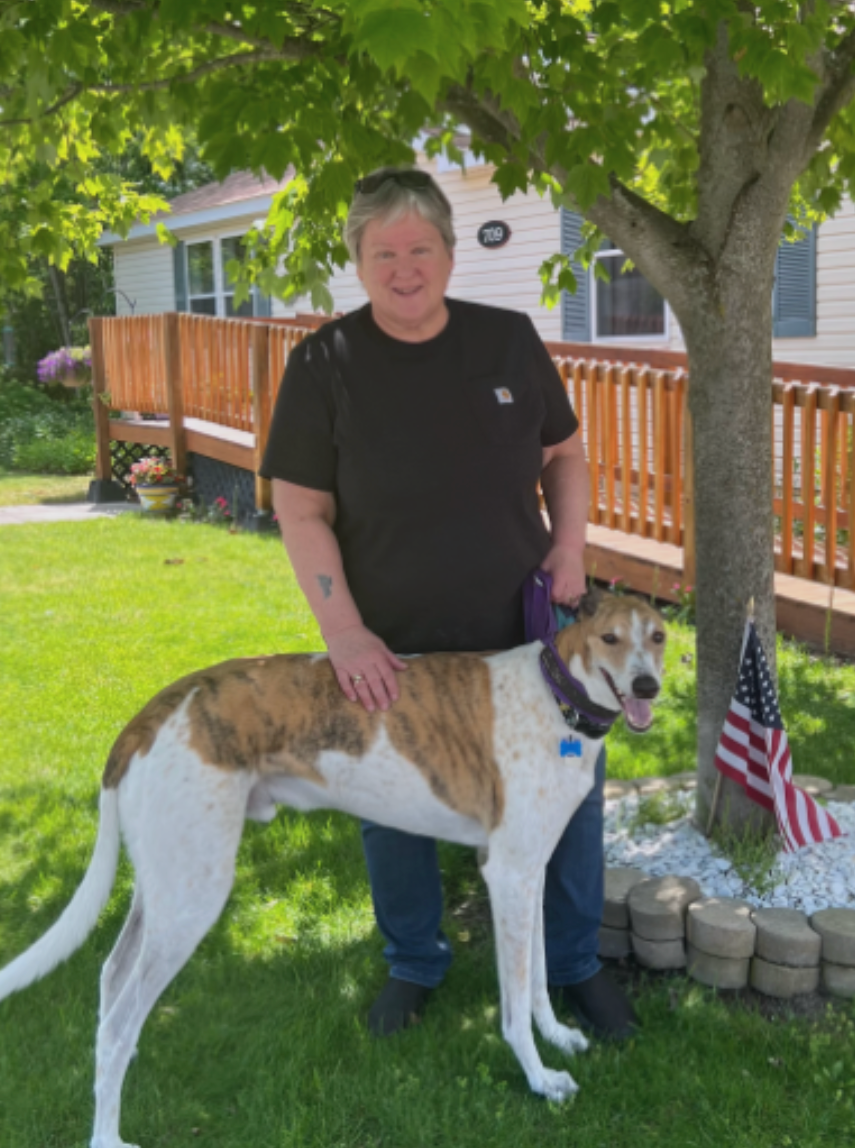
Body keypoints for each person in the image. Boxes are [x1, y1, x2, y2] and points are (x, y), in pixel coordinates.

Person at [258, 165, 638, 1040]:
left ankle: (573, 962)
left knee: (567, 795)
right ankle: (414, 961)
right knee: (394, 805)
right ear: (356, 259)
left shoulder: (507, 341)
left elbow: (566, 455)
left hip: (528, 634)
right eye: (382, 251)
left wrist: (570, 544)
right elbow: (301, 507)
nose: (403, 267)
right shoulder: (324, 364)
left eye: (419, 247)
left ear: (448, 252)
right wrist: (343, 633)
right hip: (391, 638)